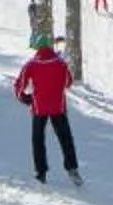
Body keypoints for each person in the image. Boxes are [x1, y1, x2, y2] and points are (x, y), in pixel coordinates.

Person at [17, 35, 82, 185]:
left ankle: (41, 172)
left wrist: (24, 98)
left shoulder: (31, 65)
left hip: (39, 107)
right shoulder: (61, 64)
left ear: (37, 48)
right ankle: (72, 169)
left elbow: (20, 85)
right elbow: (68, 82)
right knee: (65, 138)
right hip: (58, 107)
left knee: (38, 139)